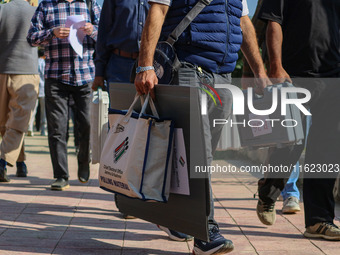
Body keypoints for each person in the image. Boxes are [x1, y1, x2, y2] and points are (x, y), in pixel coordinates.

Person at [135, 0, 271, 254]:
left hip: (223, 74)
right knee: (199, 152)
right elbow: (158, 9)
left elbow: (243, 22)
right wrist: (145, 65)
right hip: (186, 67)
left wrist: (259, 70)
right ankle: (205, 232)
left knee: (195, 155)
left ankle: (172, 215)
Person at [93, 0, 193, 242]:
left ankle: (152, 199)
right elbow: (104, 30)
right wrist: (99, 71)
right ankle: (125, 194)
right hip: (120, 65)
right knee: (124, 129)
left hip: (157, 64)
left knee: (153, 129)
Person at [255, 0, 340, 240]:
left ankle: (318, 221)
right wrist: (275, 66)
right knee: (291, 143)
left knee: (327, 148)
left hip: (333, 74)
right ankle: (269, 191)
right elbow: (273, 21)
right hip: (293, 75)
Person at [27, 0, 101, 190]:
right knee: (57, 129)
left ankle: (84, 162)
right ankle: (60, 176)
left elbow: (106, 38)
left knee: (86, 125)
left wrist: (92, 30)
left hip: (84, 76)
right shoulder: (46, 5)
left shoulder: (90, 5)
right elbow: (31, 38)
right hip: (55, 76)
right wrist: (51, 33)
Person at [0, 0, 40, 182]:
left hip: (2, 70)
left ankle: (21, 163)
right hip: (27, 72)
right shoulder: (36, 10)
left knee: (5, 123)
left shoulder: (2, 9)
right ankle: (2, 161)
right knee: (19, 122)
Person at [28, 48, 48, 137]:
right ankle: (43, 130)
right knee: (44, 112)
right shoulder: (45, 63)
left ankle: (30, 128)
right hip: (44, 89)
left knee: (33, 110)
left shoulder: (34, 62)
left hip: (34, 89)